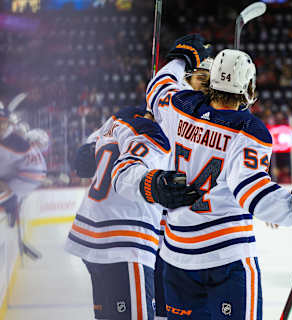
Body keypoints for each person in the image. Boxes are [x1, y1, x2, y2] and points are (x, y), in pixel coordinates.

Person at [144, 34, 292, 319]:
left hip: (175, 258)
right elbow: (253, 194)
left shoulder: (180, 107)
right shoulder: (248, 131)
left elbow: (157, 90)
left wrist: (180, 60)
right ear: (248, 88)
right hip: (227, 261)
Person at [65, 106, 198, 320]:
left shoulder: (118, 121)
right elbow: (134, 174)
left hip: (94, 235)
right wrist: (154, 185)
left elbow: (82, 161)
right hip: (126, 239)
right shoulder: (155, 131)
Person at [0, 108, 46, 228]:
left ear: (8, 124)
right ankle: (13, 205)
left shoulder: (10, 143)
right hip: (31, 173)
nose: (1, 126)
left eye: (3, 122)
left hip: (29, 175)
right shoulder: (12, 139)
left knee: (7, 195)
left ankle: (12, 204)